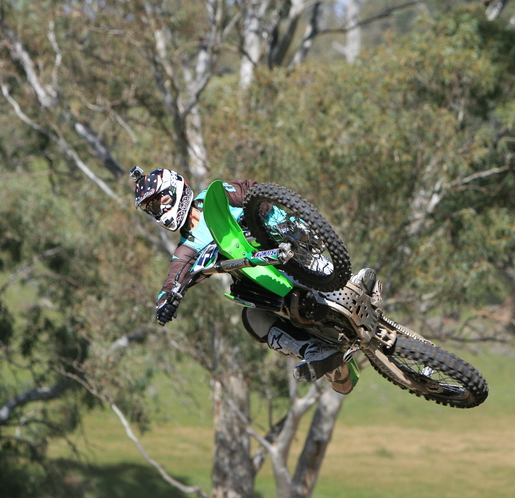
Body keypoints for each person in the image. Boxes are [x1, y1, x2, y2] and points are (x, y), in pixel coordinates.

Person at [132, 166, 356, 394]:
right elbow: (174, 278)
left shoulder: (215, 197)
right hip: (260, 279)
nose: (159, 211)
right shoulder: (187, 248)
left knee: (316, 270)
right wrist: (165, 302)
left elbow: (252, 189)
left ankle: (355, 286)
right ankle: (315, 351)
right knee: (252, 317)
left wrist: (260, 211)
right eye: (152, 208)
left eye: (161, 201)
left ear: (176, 188)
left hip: (289, 243)